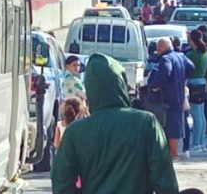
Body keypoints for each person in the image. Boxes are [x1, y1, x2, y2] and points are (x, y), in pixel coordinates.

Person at [51, 53, 180, 194]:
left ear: (90, 88)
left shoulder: (74, 132)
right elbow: (164, 180)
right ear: (122, 84)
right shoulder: (146, 123)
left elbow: (62, 184)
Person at [147, 37, 195, 159]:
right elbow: (191, 67)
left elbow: (166, 71)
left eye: (158, 47)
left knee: (168, 127)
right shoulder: (180, 56)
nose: (157, 50)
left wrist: (156, 86)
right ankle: (174, 153)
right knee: (176, 126)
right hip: (179, 96)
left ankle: (171, 154)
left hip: (167, 99)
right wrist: (181, 79)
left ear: (163, 47)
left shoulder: (165, 59)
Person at [187, 29, 207, 152]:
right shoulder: (205, 53)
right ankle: (201, 142)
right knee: (201, 114)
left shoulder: (191, 55)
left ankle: (196, 143)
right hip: (202, 82)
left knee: (196, 115)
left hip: (194, 84)